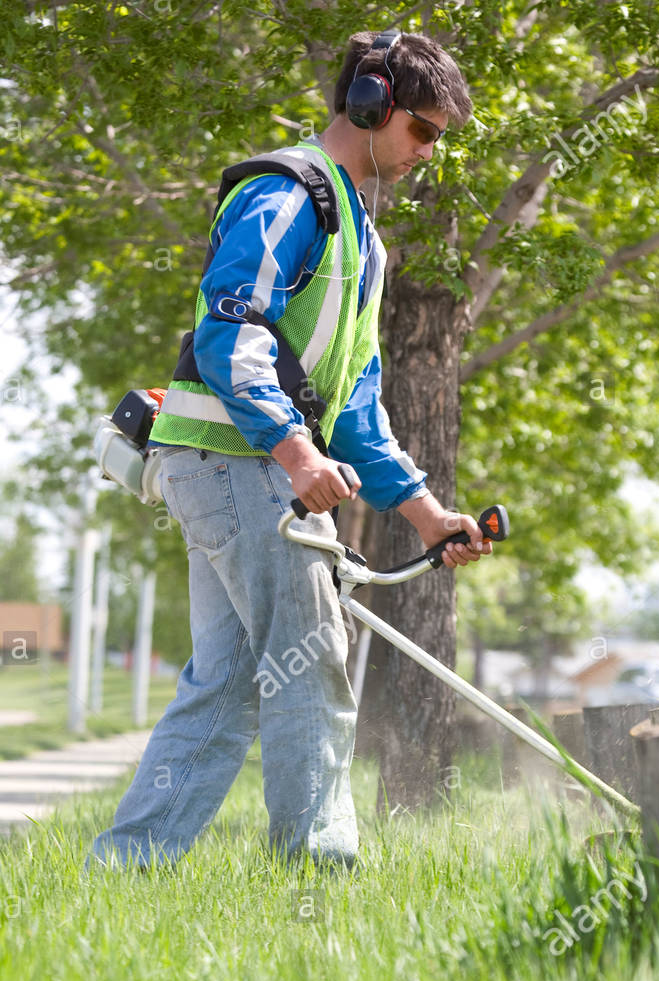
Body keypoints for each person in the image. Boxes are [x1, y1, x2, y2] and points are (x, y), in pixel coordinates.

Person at [89, 30, 490, 872]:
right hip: (237, 462)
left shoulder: (360, 238)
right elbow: (230, 328)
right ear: (371, 103)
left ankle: (126, 868)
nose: (427, 152)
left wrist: (424, 513)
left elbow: (357, 405)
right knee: (312, 662)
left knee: (226, 688)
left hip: (237, 464)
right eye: (423, 130)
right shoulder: (287, 195)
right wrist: (297, 456)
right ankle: (320, 879)